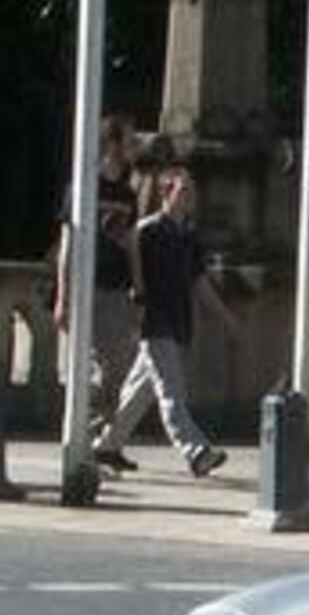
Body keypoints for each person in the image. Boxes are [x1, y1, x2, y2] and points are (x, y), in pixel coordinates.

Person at [96, 166, 240, 479]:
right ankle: (196, 451)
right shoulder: (147, 231)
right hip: (154, 321)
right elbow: (129, 267)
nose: (189, 197)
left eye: (191, 191)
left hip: (178, 321)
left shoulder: (189, 237)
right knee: (170, 391)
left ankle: (107, 445)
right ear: (166, 193)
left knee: (140, 390)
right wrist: (136, 305)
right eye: (182, 191)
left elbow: (199, 283)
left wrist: (225, 318)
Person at [50, 115, 141, 469]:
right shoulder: (84, 187)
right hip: (88, 288)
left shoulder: (128, 194)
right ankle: (81, 444)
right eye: (129, 142)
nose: (134, 149)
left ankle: (100, 443)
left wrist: (138, 286)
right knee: (94, 375)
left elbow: (131, 243)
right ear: (113, 145)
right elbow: (68, 244)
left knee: (117, 373)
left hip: (117, 290)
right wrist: (63, 295)